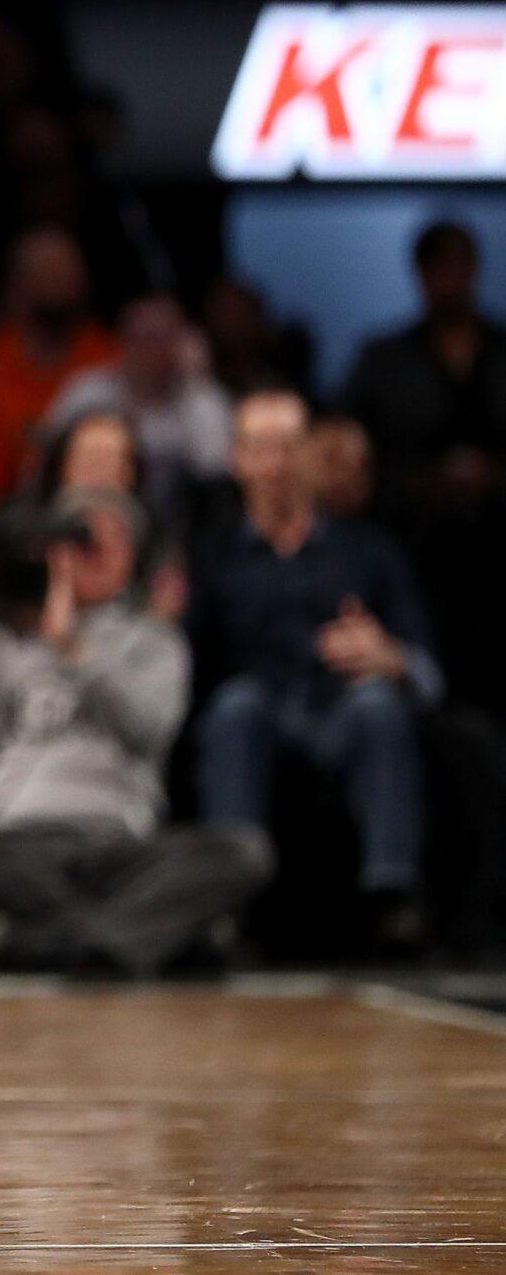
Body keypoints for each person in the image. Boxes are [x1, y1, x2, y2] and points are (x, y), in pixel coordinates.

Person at [0, 488, 272, 975]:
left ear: (134, 561)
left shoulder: (153, 641)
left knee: (244, 853)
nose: (98, 550)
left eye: (116, 539)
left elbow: (148, 729)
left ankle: (39, 943)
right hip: (18, 844)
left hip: (119, 844)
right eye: (83, 538)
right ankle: (124, 942)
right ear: (53, 552)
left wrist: (73, 648)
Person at [192, 391, 439, 953]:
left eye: (288, 447)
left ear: (311, 454)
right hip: (260, 713)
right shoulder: (214, 558)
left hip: (342, 711)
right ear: (237, 460)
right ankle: (227, 901)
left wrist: (390, 656)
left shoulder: (369, 550)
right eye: (260, 449)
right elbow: (190, 668)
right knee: (234, 707)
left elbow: (427, 666)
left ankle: (392, 896)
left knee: (378, 703)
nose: (275, 465)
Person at [341, 221, 506, 720]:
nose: (450, 278)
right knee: (432, 699)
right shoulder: (383, 360)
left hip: (499, 546)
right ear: (420, 273)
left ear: (475, 268)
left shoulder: (500, 349)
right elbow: (354, 462)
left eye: (459, 265)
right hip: (416, 554)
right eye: (439, 266)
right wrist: (423, 483)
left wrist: (492, 477)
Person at [0, 226, 119, 506]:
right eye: (48, 270)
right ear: (16, 284)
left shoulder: (109, 359)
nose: (60, 281)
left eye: (68, 271)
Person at [41, 294, 231, 519]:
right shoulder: (87, 392)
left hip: (180, 525)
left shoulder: (202, 399)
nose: (155, 349)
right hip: (85, 517)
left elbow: (216, 476)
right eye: (146, 337)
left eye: (166, 338)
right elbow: (45, 465)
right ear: (123, 340)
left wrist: (197, 379)